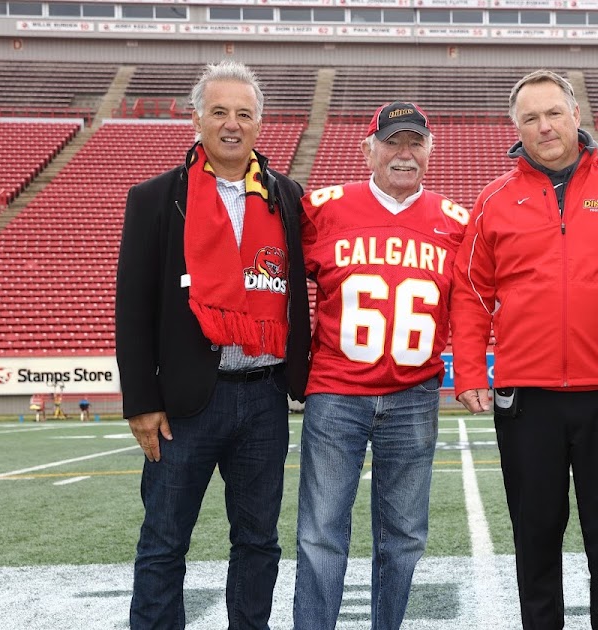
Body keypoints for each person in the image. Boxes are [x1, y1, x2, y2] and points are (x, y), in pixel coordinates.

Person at [452, 69, 598, 629]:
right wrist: (470, 367)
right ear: (515, 128)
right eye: (530, 118)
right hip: (527, 395)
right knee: (535, 535)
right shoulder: (494, 199)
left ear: (576, 115)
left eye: (553, 113)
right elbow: (471, 291)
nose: (544, 127)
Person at [115, 59, 310, 630]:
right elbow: (132, 308)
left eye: (244, 114)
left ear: (259, 124)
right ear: (196, 117)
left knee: (258, 542)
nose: (231, 124)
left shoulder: (286, 196)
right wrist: (142, 402)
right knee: (164, 540)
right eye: (219, 111)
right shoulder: (154, 198)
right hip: (183, 402)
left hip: (264, 397)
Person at [293, 102, 468, 630]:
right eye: (392, 142)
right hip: (335, 393)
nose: (404, 153)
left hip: (414, 394)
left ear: (431, 153)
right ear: (367, 150)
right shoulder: (322, 209)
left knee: (405, 536)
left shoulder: (455, 221)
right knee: (321, 532)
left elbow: (475, 303)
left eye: (415, 143)